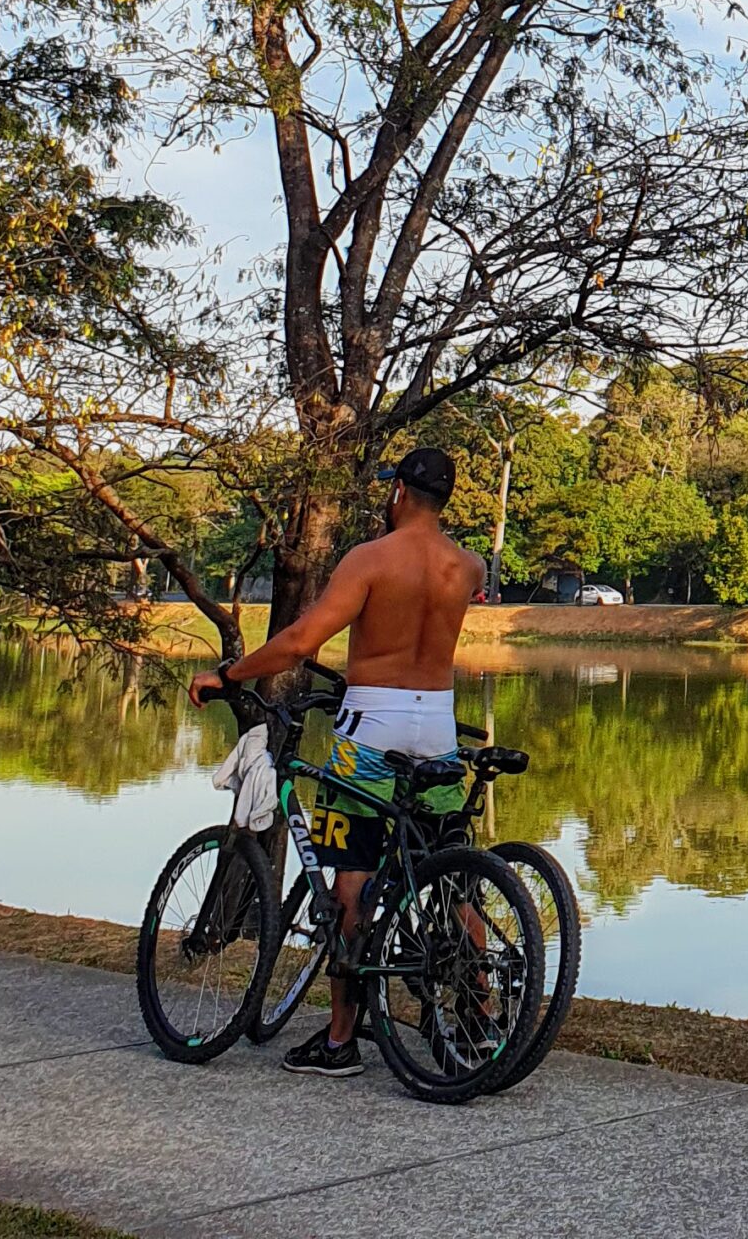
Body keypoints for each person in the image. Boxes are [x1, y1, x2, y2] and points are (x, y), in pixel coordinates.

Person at [190, 445, 484, 1077]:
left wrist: (228, 675)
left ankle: (341, 1039)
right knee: (450, 873)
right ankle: (483, 1011)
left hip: (371, 726)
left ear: (400, 492)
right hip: (436, 725)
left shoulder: (369, 560)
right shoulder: (469, 567)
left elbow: (300, 642)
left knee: (351, 881)